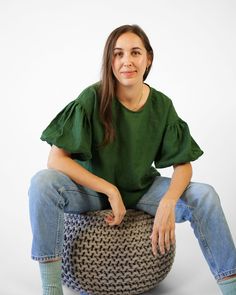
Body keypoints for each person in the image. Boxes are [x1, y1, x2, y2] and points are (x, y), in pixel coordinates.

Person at [28, 24, 236, 295]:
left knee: (205, 195)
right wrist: (110, 189)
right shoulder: (92, 98)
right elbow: (56, 159)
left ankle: (230, 287)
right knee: (42, 183)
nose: (127, 61)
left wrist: (169, 200)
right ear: (110, 61)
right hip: (91, 193)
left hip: (142, 190)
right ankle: (51, 289)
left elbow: (183, 164)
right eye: (118, 54)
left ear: (148, 58)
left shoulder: (162, 105)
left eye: (135, 52)